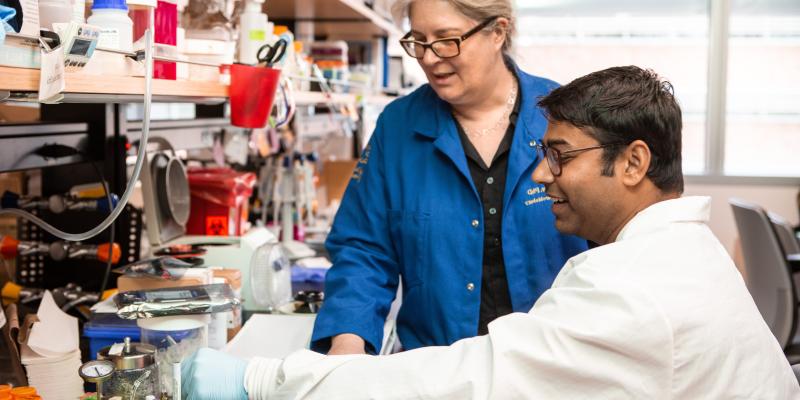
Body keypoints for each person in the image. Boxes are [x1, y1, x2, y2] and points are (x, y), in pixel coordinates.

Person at [181, 65, 800, 399]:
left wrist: (260, 380)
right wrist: (345, 354)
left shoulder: (629, 291)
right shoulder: (685, 252)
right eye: (419, 39)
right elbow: (365, 247)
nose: (541, 174)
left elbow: (470, 378)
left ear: (633, 163)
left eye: (558, 156)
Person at [312, 0, 587, 356]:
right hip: (434, 368)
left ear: (498, 32)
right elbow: (363, 249)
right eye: (419, 41)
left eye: (446, 40)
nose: (428, 57)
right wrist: (347, 343)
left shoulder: (563, 115)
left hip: (552, 364)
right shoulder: (399, 127)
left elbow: (608, 238)